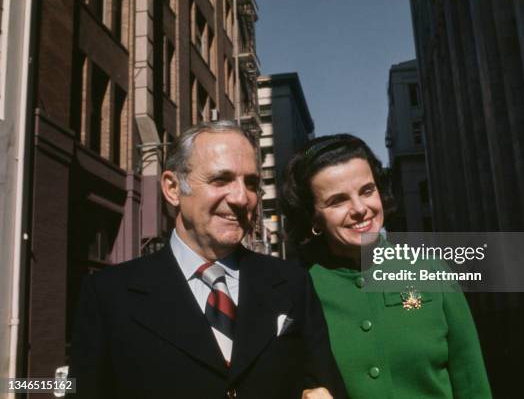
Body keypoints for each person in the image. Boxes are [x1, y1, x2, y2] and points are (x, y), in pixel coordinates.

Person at [70, 121, 347, 399]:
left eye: (251, 183)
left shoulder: (292, 282)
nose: (242, 198)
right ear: (173, 188)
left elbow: (324, 384)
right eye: (220, 180)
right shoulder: (108, 294)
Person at [281, 134, 492, 399]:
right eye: (338, 201)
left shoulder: (430, 270)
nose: (360, 208)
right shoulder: (299, 291)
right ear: (313, 218)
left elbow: (472, 381)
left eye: (367, 190)